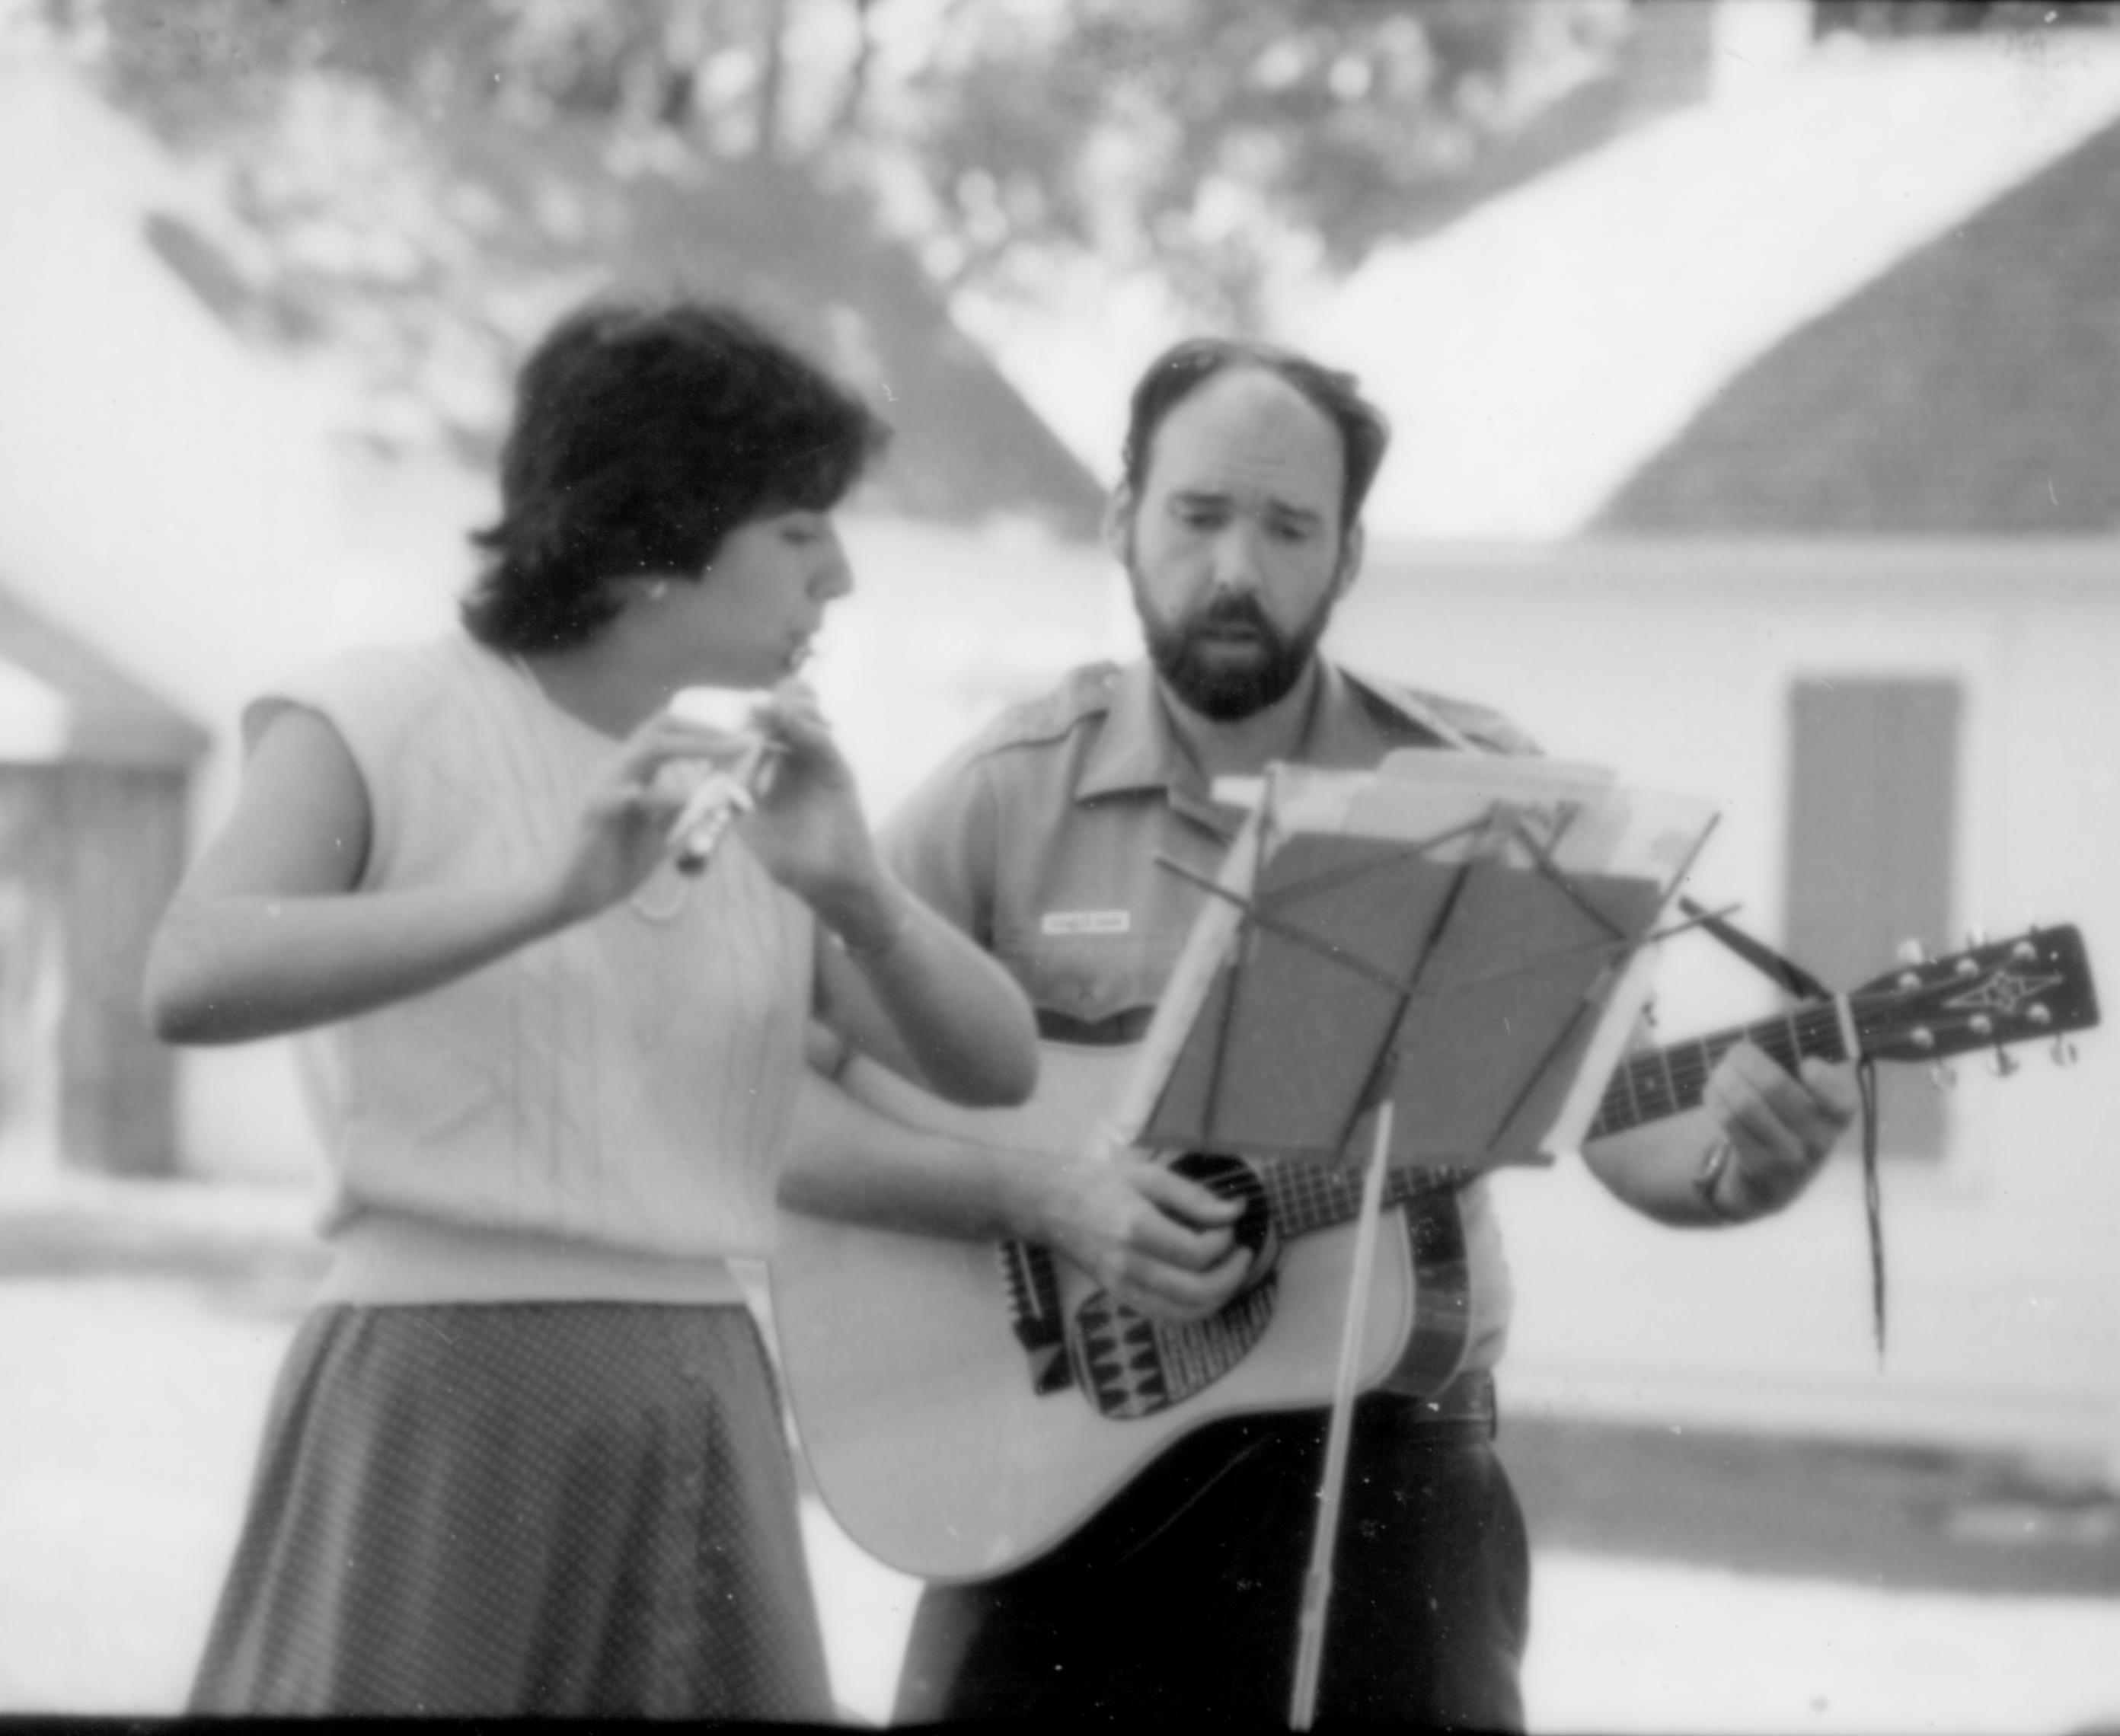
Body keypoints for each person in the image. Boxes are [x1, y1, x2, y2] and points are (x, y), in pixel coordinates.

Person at [777, 336, 1861, 1728]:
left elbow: (1629, 1132)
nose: (1238, 567)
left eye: (1289, 527)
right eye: (1198, 515)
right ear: (1121, 524)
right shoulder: (999, 800)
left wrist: (1743, 1169)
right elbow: (768, 1112)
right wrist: (1043, 1194)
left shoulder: (1489, 800)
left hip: (1386, 1495)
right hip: (1047, 1486)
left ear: (1347, 556)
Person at [142, 296, 1038, 1719]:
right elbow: (192, 974)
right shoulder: (375, 714)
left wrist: (859, 887)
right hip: (444, 1391)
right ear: (654, 537)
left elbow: (997, 1068)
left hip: (697, 1389)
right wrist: (549, 894)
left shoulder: (748, 788)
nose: (844, 575)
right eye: (801, 528)